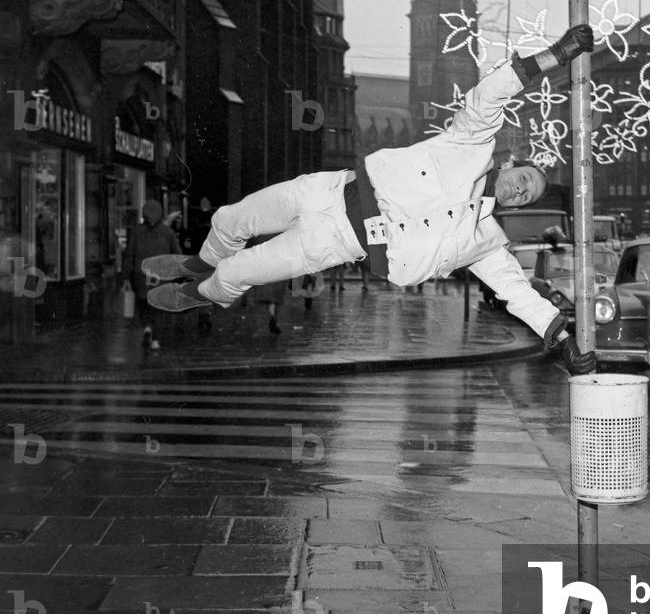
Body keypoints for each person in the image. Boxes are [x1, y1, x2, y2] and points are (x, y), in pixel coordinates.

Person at [142, 25, 598, 373]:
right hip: (329, 188)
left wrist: (561, 339)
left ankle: (198, 294)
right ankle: (199, 264)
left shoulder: (485, 241)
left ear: (517, 206)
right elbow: (489, 95)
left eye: (527, 194)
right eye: (524, 178)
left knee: (239, 272)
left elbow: (518, 293)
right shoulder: (470, 144)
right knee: (229, 219)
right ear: (512, 164)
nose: (520, 188)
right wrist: (555, 56)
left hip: (335, 243)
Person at [121, 199, 179, 350]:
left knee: (143, 304)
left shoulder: (136, 231)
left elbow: (129, 255)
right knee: (159, 308)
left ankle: (147, 327)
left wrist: (126, 276)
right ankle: (156, 340)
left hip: (140, 276)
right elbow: (177, 254)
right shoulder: (168, 232)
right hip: (161, 276)